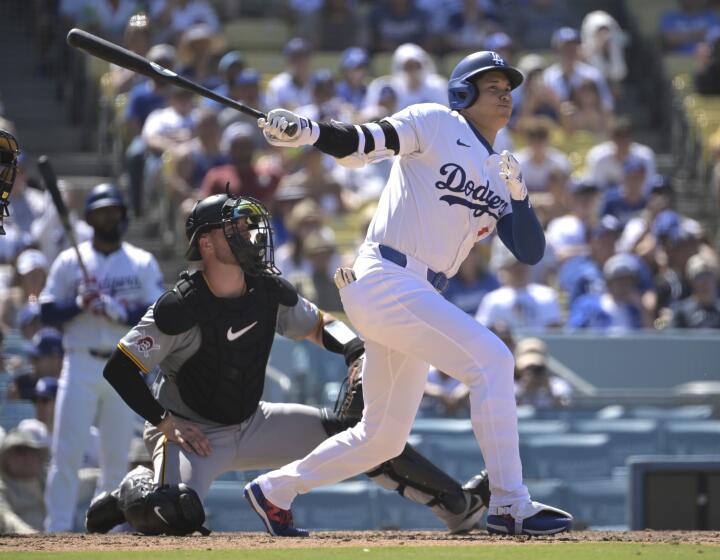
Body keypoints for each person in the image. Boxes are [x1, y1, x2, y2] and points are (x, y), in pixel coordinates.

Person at [253, 49, 573, 536]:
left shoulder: (500, 168)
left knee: (381, 437)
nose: (506, 95)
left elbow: (529, 251)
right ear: (464, 93)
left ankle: (275, 490)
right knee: (493, 361)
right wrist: (310, 130)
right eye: (494, 87)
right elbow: (362, 143)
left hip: (415, 293)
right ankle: (509, 502)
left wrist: (520, 195)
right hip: (387, 275)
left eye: (509, 88)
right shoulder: (434, 122)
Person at [86, 192, 489, 537]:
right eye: (236, 228)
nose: (249, 234)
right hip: (192, 433)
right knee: (178, 513)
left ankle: (457, 505)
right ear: (206, 243)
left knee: (361, 436)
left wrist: (355, 351)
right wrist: (164, 422)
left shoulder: (268, 289)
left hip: (254, 420)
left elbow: (319, 325)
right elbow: (120, 369)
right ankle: (129, 493)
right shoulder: (178, 307)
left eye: (247, 226)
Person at [39, 184, 164, 533]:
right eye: (100, 212)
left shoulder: (140, 261)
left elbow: (158, 310)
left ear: (123, 216)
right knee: (66, 452)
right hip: (79, 362)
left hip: (124, 364)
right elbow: (47, 311)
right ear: (89, 218)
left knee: (115, 457)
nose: (108, 218)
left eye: (113, 211)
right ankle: (57, 529)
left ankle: (106, 532)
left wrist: (119, 310)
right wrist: (78, 304)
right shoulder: (69, 261)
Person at [475, 251, 563, 330]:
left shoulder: (547, 295)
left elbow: (555, 331)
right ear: (505, 269)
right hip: (506, 346)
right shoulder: (492, 299)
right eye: (514, 267)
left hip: (539, 346)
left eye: (522, 265)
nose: (519, 270)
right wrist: (496, 329)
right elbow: (482, 330)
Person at [566, 253, 649, 332]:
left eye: (628, 281)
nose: (624, 286)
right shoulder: (587, 305)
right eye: (619, 281)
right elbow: (573, 334)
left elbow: (649, 338)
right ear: (608, 283)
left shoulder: (634, 310)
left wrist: (643, 309)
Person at [585, 117, 656, 191]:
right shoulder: (598, 156)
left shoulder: (644, 156)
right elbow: (595, 189)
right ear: (611, 138)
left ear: (632, 138)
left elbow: (647, 187)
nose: (622, 141)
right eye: (618, 137)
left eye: (626, 136)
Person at [0, 429, 49, 534]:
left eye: (32, 451)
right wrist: (30, 535)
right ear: (6, 459)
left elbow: (83, 482)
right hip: (21, 544)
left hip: (57, 540)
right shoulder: (3, 487)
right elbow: (6, 516)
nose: (27, 457)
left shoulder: (47, 480)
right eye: (19, 451)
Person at [670, 255, 720, 329]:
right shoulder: (681, 312)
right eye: (700, 277)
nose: (706, 282)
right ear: (691, 281)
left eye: (709, 276)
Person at [7, 327, 63, 402]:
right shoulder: (24, 383)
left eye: (36, 358)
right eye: (30, 357)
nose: (32, 362)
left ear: (55, 359)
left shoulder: (75, 384)